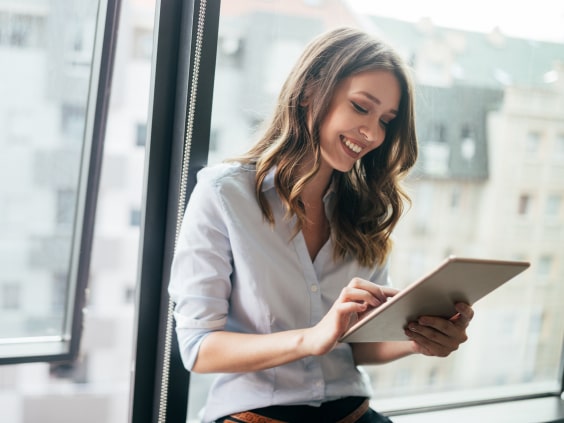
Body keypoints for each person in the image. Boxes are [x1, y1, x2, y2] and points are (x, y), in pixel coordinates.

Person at [168, 27, 474, 423]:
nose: (373, 133)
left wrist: (419, 341)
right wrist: (310, 339)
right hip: (256, 414)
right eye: (361, 107)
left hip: (354, 413)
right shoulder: (224, 195)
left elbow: (357, 346)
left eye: (386, 120)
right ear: (311, 90)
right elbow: (198, 348)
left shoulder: (365, 210)